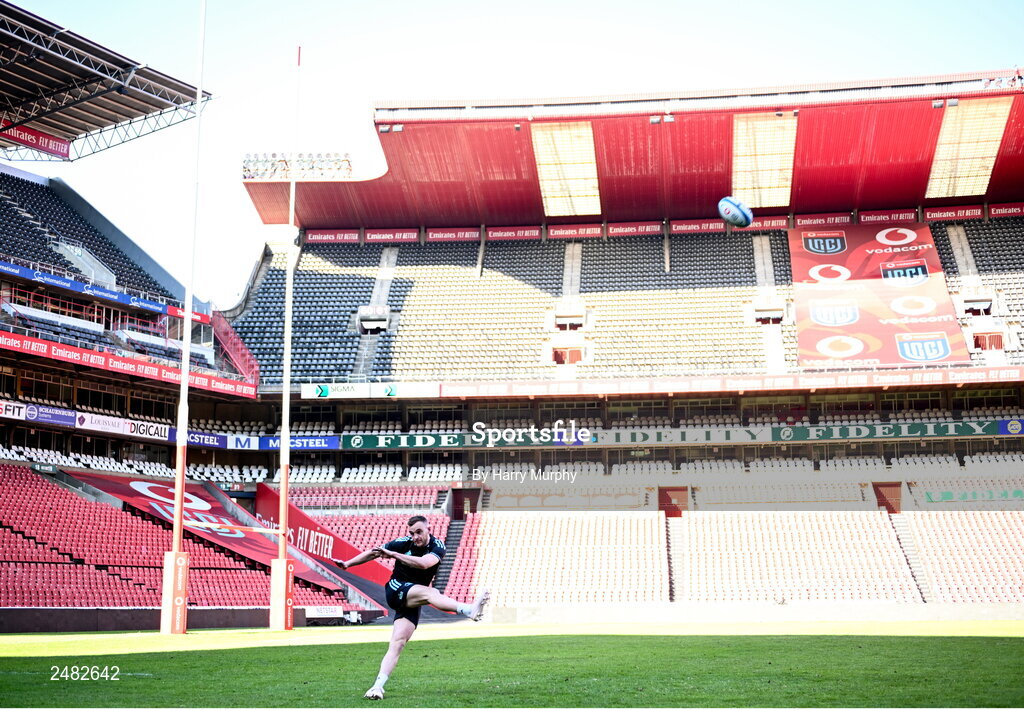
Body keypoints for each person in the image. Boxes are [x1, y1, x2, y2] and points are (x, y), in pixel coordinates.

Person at [334, 514, 489, 700]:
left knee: (397, 643)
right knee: (432, 594)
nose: (415, 537)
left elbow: (424, 564)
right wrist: (348, 564)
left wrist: (394, 555)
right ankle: (468, 610)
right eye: (412, 533)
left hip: (412, 596)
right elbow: (375, 551)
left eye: (419, 532)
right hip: (396, 589)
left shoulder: (437, 547)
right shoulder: (403, 543)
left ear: (428, 529)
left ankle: (377, 687)